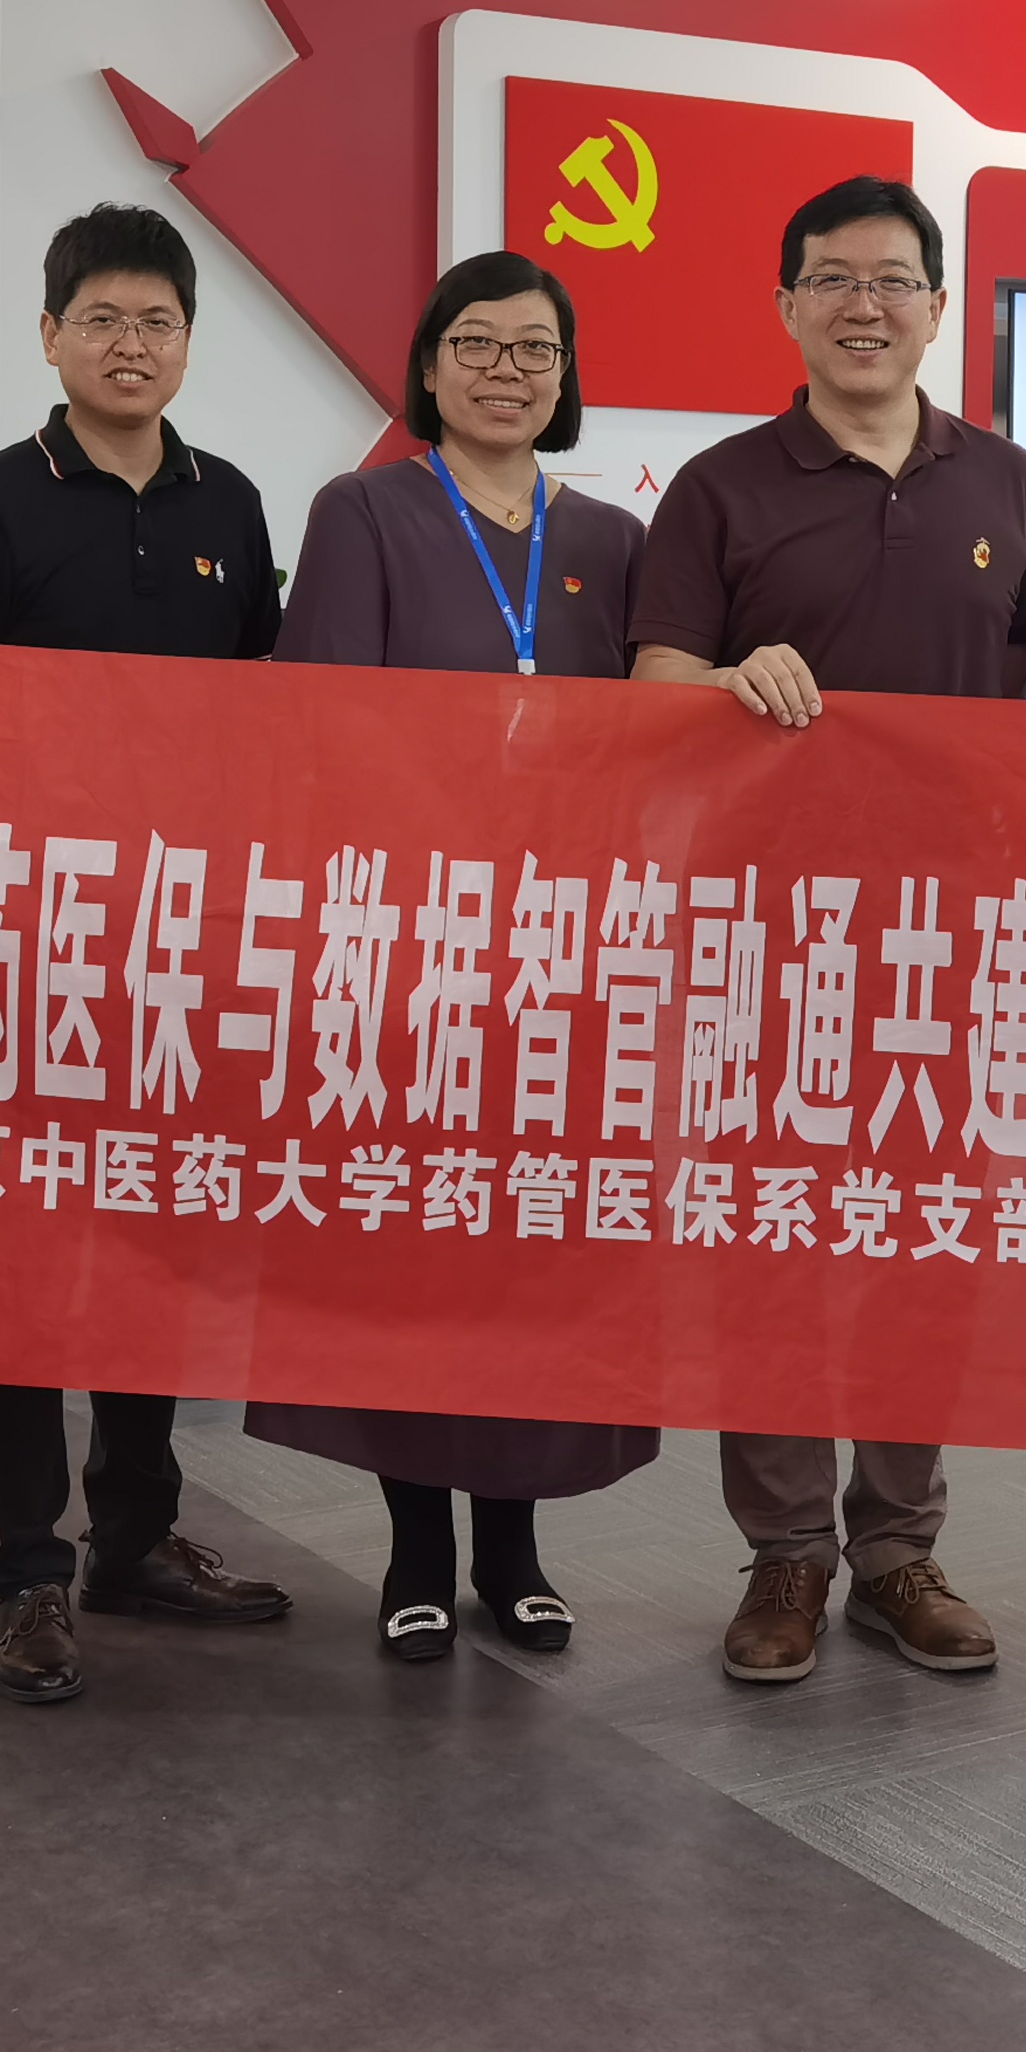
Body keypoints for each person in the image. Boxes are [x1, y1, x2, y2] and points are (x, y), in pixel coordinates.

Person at [632, 173, 1026, 1685]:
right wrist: (728, 678)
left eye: (892, 280)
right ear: (787, 305)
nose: (862, 305)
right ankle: (787, 1553)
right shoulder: (720, 485)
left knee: (920, 1245)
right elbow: (651, 679)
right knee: (774, 1243)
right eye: (831, 278)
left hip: (953, 935)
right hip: (768, 931)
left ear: (937, 307)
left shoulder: (1007, 482)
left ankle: (899, 1547)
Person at [253, 253, 662, 1661]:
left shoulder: (613, 538)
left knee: (532, 1248)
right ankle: (418, 1549)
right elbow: (326, 731)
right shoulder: (364, 510)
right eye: (477, 343)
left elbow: (654, 738)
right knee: (411, 1250)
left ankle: (516, 1546)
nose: (506, 371)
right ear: (429, 367)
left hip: (564, 956)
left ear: (565, 375)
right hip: (413, 945)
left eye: (536, 348)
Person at [0, 203, 295, 1704]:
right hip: (32, 935)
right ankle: (29, 1568)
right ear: (51, 336)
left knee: (156, 1236)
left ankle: (137, 1535)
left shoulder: (230, 503)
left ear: (188, 342)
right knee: (19, 1259)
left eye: (157, 323)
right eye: (103, 321)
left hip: (185, 940)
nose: (130, 346)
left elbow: (273, 720)